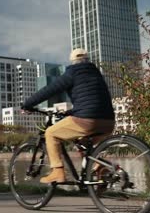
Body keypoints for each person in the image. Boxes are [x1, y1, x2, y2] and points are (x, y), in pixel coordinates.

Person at [21, 48, 115, 184]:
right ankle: (100, 168)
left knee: (50, 133)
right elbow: (91, 102)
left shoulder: (72, 73)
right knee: (82, 144)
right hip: (108, 123)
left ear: (73, 61)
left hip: (87, 121)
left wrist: (27, 104)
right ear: (87, 60)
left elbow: (50, 90)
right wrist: (69, 112)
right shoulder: (97, 74)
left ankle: (58, 172)